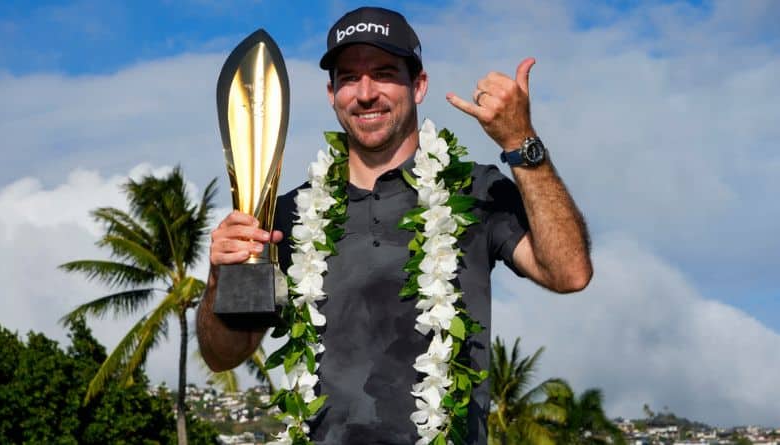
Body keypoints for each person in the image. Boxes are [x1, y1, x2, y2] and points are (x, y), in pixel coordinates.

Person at [197, 6, 592, 444]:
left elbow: (569, 272)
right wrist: (221, 278)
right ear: (332, 94)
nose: (365, 93)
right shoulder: (288, 215)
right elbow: (222, 355)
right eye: (349, 78)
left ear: (418, 85)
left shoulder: (475, 191)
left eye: (384, 73)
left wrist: (522, 143)